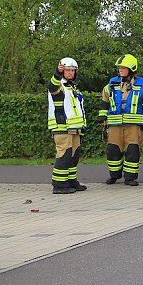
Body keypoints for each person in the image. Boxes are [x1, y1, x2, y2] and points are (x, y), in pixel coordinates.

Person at [96, 54, 143, 186]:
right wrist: (102, 116)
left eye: (123, 68)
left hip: (134, 126)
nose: (120, 70)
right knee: (112, 150)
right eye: (119, 68)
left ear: (131, 69)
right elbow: (104, 102)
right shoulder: (111, 84)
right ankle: (114, 175)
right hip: (114, 125)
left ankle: (130, 178)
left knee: (132, 151)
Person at [46, 57, 87, 194]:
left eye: (73, 70)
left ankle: (71, 181)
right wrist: (57, 73)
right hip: (61, 127)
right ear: (63, 71)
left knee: (74, 155)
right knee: (64, 154)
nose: (70, 73)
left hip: (74, 128)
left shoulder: (72, 87)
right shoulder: (58, 85)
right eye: (68, 70)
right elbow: (51, 86)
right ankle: (59, 184)